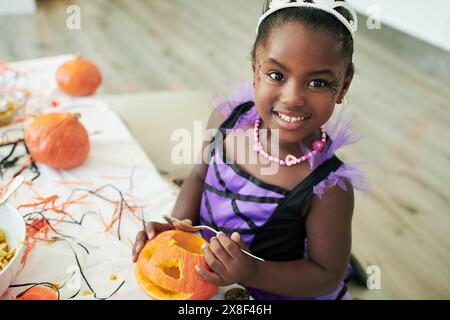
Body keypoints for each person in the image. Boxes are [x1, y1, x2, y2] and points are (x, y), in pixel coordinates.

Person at [132, 0, 368, 300]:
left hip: (275, 291)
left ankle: (341, 255)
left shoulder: (329, 187)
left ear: (343, 86)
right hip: (206, 264)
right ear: (255, 70)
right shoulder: (225, 121)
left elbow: (324, 276)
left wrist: (251, 272)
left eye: (318, 82)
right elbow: (197, 175)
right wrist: (176, 235)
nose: (293, 97)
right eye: (277, 75)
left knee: (332, 257)